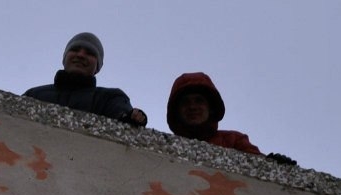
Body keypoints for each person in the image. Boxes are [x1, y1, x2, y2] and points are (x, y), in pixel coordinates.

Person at [166, 72, 297, 164]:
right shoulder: (168, 146)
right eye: (185, 102)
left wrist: (274, 163)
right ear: (177, 111)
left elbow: (257, 163)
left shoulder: (233, 140)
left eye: (199, 101)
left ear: (211, 108)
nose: (192, 107)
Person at [24, 32, 147, 127]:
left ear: (97, 67)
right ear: (64, 58)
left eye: (89, 53)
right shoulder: (34, 95)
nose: (81, 55)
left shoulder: (110, 98)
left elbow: (123, 123)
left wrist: (133, 118)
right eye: (75, 50)